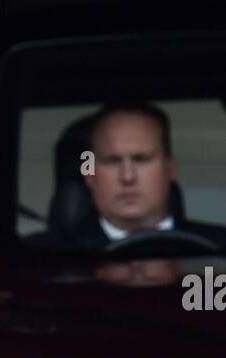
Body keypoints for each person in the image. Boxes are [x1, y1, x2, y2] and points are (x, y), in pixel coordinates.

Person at [38, 102, 226, 251]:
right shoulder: (42, 258)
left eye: (141, 159)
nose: (128, 177)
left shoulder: (218, 247)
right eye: (112, 161)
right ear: (90, 174)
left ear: (170, 169)